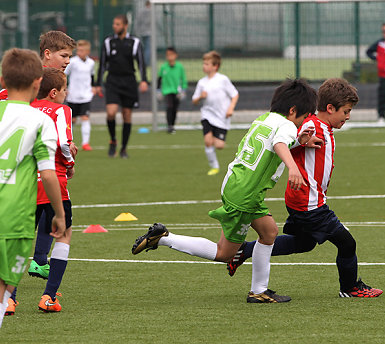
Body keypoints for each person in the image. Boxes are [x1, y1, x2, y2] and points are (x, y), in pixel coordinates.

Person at [131, 79, 321, 303]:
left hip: (239, 184)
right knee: (225, 253)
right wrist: (293, 168)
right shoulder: (288, 126)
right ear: (293, 111)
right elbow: (279, 143)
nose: (303, 122)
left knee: (269, 233)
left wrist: (298, 142)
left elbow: (272, 142)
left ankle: (259, 290)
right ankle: (163, 238)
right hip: (246, 192)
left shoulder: (264, 119)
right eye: (305, 116)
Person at [226, 78, 383, 298]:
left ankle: (244, 250)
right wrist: (300, 142)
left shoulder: (323, 126)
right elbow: (288, 139)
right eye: (346, 112)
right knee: (347, 243)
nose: (348, 117)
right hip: (310, 204)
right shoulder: (311, 124)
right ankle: (350, 287)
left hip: (303, 200)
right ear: (330, 108)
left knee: (304, 243)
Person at [0, 48, 65, 344]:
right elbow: (47, 173)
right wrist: (58, 213)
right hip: (12, 214)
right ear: (37, 83)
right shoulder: (39, 121)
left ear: (2, 80)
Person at [30, 68, 75, 312]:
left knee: (21, 238)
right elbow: (62, 142)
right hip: (53, 181)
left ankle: (11, 299)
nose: (67, 94)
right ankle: (48, 297)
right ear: (54, 92)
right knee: (64, 233)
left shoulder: (27, 108)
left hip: (25, 183)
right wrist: (70, 164)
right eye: (65, 89)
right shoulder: (62, 110)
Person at [96, 14, 149, 159]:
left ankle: (124, 148)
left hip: (129, 82)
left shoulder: (135, 42)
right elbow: (102, 64)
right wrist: (98, 84)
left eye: (118, 24)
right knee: (111, 112)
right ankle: (113, 140)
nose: (115, 26)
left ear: (125, 26)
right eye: (114, 24)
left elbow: (141, 63)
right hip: (112, 81)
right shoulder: (108, 42)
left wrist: (144, 80)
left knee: (127, 115)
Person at [0, 30, 76, 107]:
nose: (68, 61)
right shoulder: (34, 75)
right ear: (47, 54)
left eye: (69, 57)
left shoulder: (59, 77)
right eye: (64, 56)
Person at [192, 51, 239, 176]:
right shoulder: (201, 82)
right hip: (207, 115)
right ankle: (214, 166)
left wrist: (231, 108)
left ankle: (215, 138)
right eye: (203, 63)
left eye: (207, 64)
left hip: (221, 117)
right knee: (208, 141)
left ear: (215, 66)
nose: (204, 66)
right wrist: (200, 97)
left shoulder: (223, 80)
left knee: (219, 145)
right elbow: (194, 101)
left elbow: (234, 94)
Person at [65, 39, 96, 151]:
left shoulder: (91, 63)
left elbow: (92, 76)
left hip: (86, 95)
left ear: (87, 51)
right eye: (78, 50)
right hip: (73, 95)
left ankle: (85, 143)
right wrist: (65, 87)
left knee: (85, 117)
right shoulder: (72, 62)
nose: (79, 52)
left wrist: (93, 86)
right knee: (72, 120)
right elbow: (64, 74)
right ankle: (68, 141)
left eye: (82, 50)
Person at [157, 46, 188, 133]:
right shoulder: (164, 67)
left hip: (177, 91)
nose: (169, 57)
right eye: (167, 55)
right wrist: (158, 90)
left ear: (175, 55)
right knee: (169, 107)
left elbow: (183, 79)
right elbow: (159, 79)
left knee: (175, 108)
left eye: (171, 55)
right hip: (167, 91)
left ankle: (172, 125)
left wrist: (184, 90)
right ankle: (169, 126)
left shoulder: (180, 67)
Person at [133, 0, 151, 67]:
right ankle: (146, 63)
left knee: (143, 48)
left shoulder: (140, 11)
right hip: (148, 32)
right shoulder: (151, 12)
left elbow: (137, 22)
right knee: (148, 48)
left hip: (141, 32)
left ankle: (142, 61)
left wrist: (137, 32)